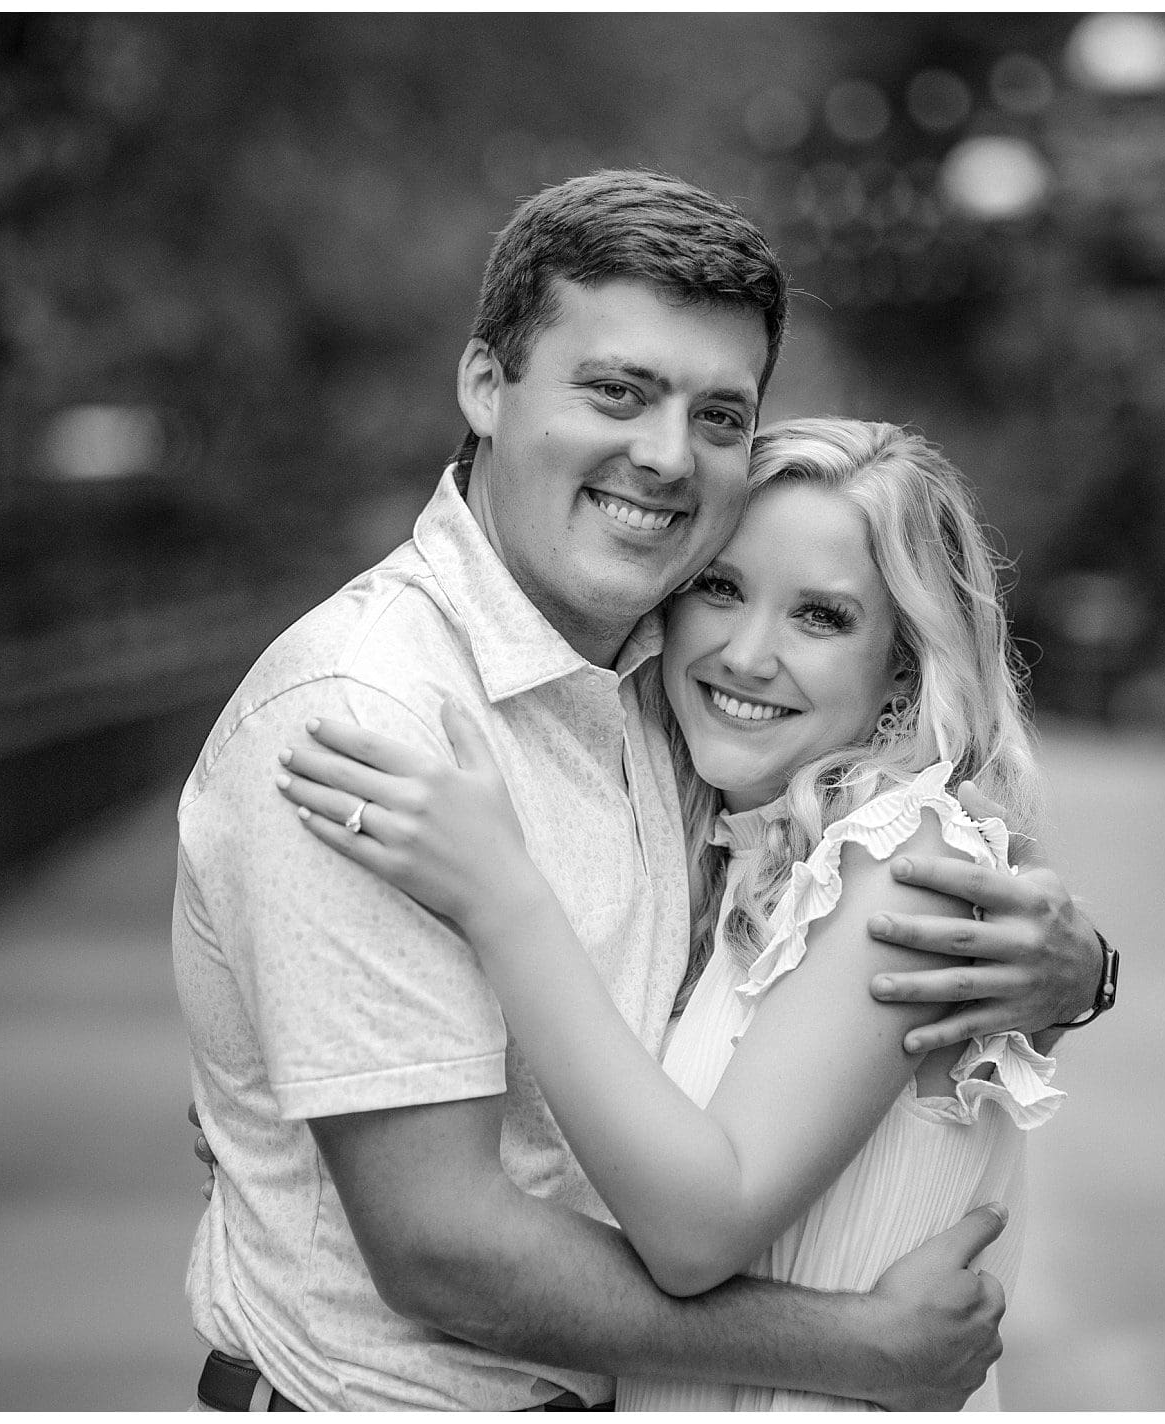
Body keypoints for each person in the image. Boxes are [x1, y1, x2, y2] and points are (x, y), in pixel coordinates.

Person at [173, 170, 1111, 1412]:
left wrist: (1080, 974)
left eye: (719, 414)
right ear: (486, 384)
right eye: (617, 390)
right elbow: (440, 1243)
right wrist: (854, 1346)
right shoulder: (372, 715)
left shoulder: (661, 702)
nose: (666, 454)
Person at [275, 417, 1075, 1409]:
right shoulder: (733, 853)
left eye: (821, 617)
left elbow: (699, 1232)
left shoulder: (907, 862)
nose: (748, 653)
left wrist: (500, 893)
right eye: (721, 589)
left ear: (905, 666)